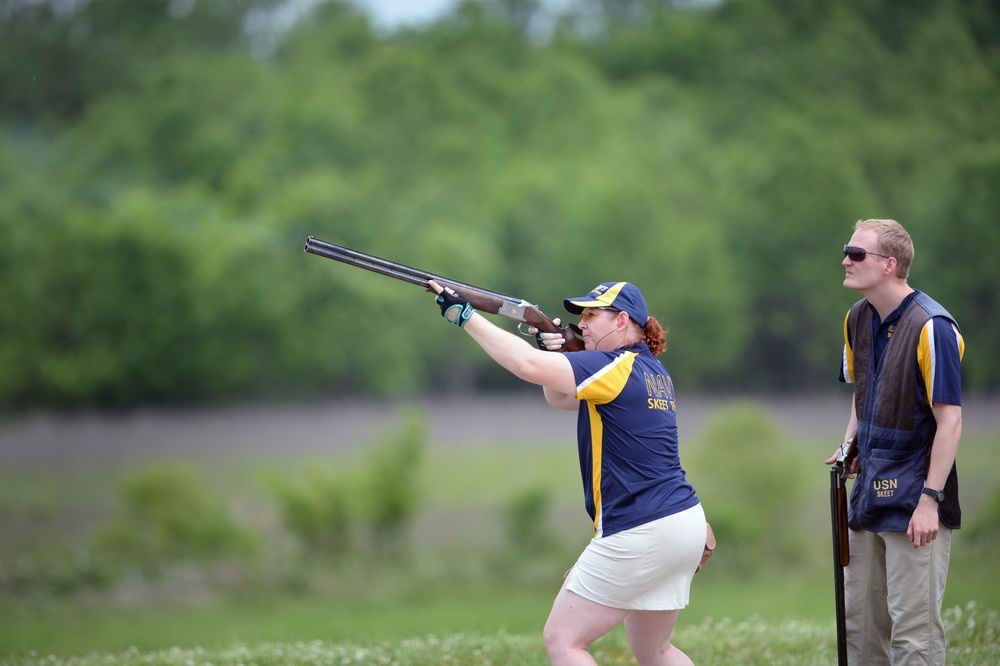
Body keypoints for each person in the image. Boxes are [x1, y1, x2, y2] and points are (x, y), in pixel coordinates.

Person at [428, 278, 710, 666]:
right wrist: (553, 345)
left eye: (593, 315)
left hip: (640, 524)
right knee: (654, 650)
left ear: (622, 320)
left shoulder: (614, 366)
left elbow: (524, 364)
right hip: (683, 522)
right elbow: (561, 398)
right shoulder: (651, 371)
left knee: (563, 640)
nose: (584, 324)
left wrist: (467, 317)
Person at [825, 219, 965, 665]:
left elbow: (951, 423)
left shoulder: (933, 327)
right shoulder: (856, 317)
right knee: (862, 632)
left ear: (889, 264)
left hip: (916, 500)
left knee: (914, 637)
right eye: (847, 251)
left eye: (856, 253)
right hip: (868, 491)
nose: (845, 259)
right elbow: (862, 392)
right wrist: (849, 444)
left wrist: (930, 500)